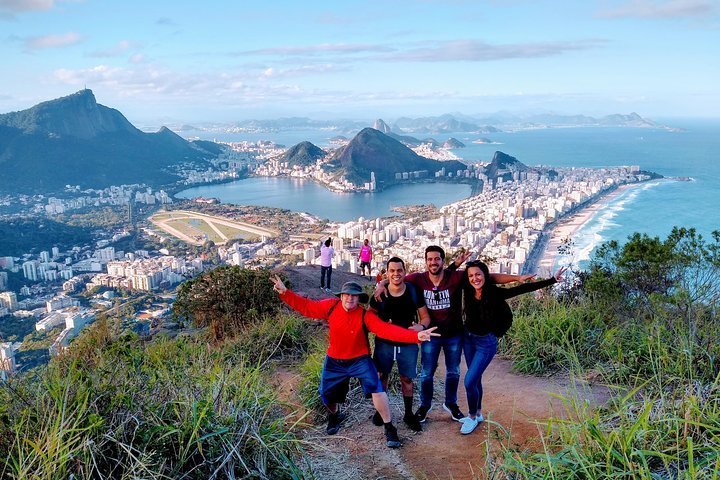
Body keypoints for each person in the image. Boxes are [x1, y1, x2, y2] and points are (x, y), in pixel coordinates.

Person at [270, 276, 440, 448]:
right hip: (335, 361)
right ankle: (334, 416)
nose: (350, 298)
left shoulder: (364, 315)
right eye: (346, 295)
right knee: (326, 393)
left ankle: (389, 427)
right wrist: (285, 293)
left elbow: (385, 330)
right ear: (341, 296)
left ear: (359, 299)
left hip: (360, 360)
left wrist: (415, 336)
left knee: (377, 389)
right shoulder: (330, 306)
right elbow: (308, 307)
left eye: (354, 296)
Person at [375, 245, 532, 424]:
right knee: (427, 373)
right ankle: (425, 405)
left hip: (454, 334)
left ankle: (451, 404)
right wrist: (381, 284)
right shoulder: (419, 279)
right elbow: (396, 277)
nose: (433, 262)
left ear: (443, 260)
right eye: (430, 259)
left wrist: (517, 278)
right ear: (425, 261)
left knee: (453, 372)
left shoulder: (456, 277)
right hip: (430, 335)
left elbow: (489, 278)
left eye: (437, 259)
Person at [457, 261, 566, 434]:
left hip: (486, 343)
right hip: (468, 339)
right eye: (471, 275)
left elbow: (521, 289)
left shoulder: (493, 293)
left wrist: (552, 280)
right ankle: (477, 414)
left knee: (469, 381)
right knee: (475, 378)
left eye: (478, 274)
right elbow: (448, 275)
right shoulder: (467, 289)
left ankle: (471, 416)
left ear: (485, 275)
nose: (474, 278)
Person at [368, 256, 431, 432]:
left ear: (404, 272)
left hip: (407, 342)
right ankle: (381, 411)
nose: (396, 274)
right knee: (382, 376)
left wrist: (422, 326)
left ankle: (408, 414)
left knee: (407, 378)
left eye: (399, 270)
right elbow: (369, 316)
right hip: (384, 343)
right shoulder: (380, 294)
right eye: (392, 271)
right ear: (387, 273)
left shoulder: (412, 291)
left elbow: (425, 316)